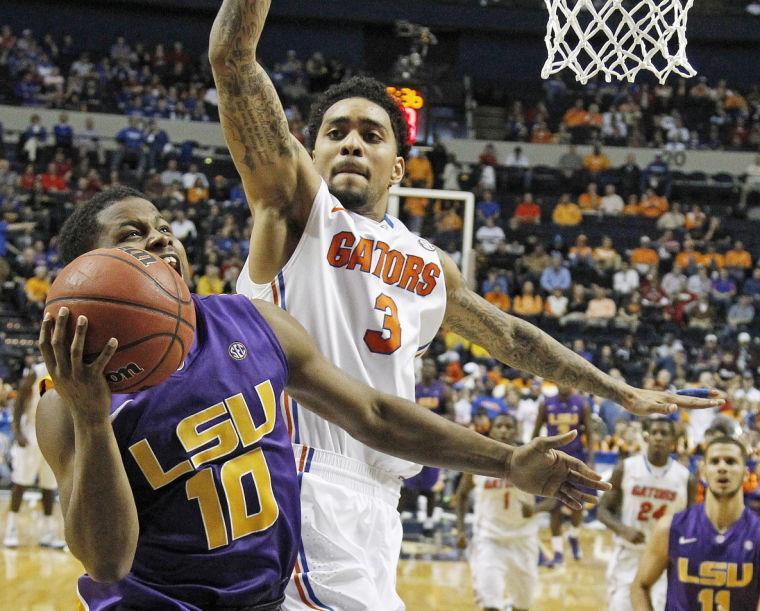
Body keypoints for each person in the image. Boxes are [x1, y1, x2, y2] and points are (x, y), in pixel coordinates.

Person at [210, 3, 722, 608]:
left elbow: (513, 340)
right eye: (335, 132)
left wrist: (621, 391)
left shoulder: (428, 263)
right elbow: (232, 59)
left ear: (398, 167)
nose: (351, 142)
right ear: (309, 154)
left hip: (377, 498)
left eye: (371, 136)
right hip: (294, 474)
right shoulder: (295, 208)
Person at [39, 187, 608, 610]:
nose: (161, 237)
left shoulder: (253, 321)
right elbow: (106, 560)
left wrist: (507, 462)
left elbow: (374, 413)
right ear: (89, 272)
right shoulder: (65, 402)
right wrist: (91, 418)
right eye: (132, 234)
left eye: (163, 225)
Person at [631, 437, 760, 610]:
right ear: (703, 471)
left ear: (745, 474)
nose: (722, 467)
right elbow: (640, 586)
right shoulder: (670, 528)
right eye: (714, 462)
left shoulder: (757, 533)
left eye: (730, 462)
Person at [455, 414, 554, 611]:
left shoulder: (533, 462)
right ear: (491, 431)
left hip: (524, 540)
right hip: (490, 539)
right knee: (490, 605)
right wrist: (460, 530)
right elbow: (462, 495)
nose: (504, 430)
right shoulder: (478, 461)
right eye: (499, 426)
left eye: (509, 426)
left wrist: (536, 508)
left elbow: (555, 498)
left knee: (522, 605)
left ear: (516, 431)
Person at [598, 417, 695, 611]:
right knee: (620, 606)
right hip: (629, 554)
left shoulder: (686, 478)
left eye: (664, 433)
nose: (658, 437)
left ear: (673, 441)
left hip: (664, 560)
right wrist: (624, 530)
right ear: (647, 437)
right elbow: (602, 511)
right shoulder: (625, 468)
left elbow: (691, 523)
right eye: (655, 433)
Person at [2, 360, 64, 549]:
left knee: (49, 486)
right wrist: (18, 431)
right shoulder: (37, 371)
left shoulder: (66, 370)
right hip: (31, 432)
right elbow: (20, 401)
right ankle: (11, 528)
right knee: (21, 483)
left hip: (53, 433)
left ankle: (48, 532)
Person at [532, 387, 595, 566]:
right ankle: (558, 552)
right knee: (554, 507)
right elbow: (536, 432)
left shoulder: (582, 403)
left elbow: (590, 434)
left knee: (577, 506)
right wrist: (532, 456)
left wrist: (591, 460)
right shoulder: (546, 403)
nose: (563, 384)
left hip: (576, 459)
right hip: (553, 461)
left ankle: (574, 536)